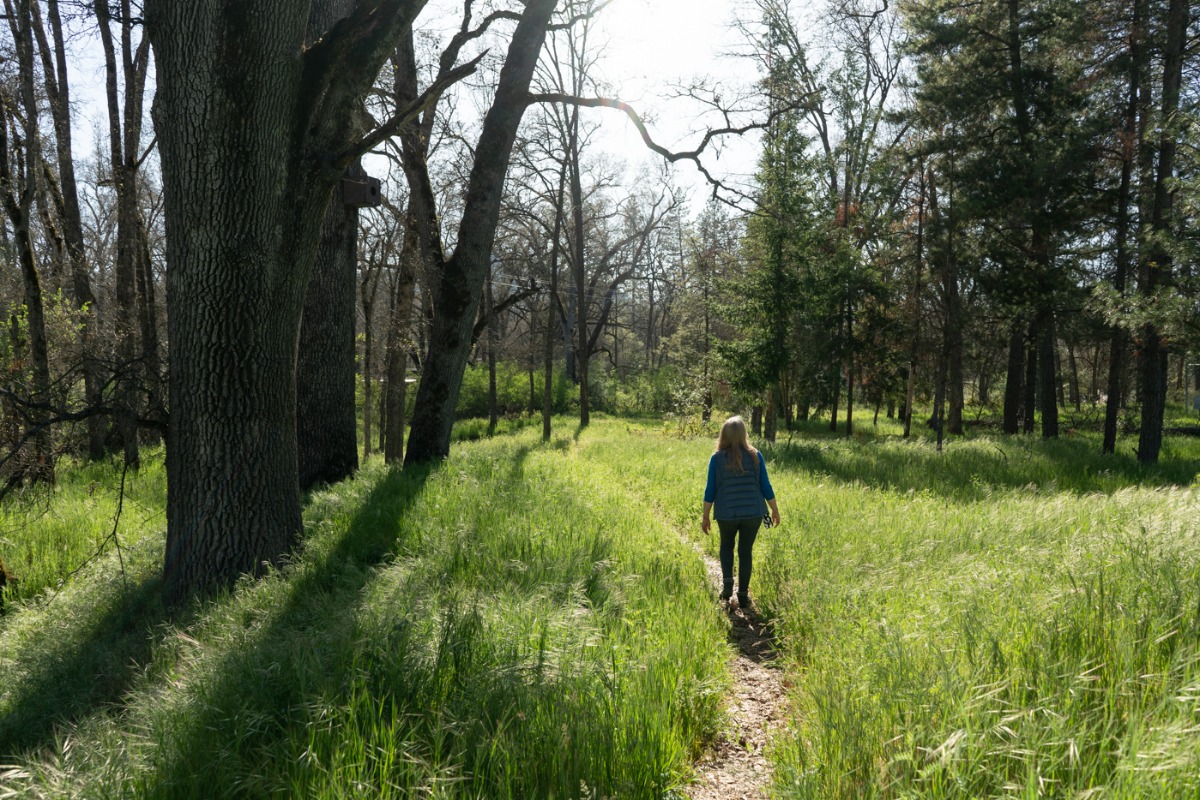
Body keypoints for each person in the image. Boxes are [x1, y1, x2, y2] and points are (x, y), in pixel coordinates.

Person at [701, 415, 780, 609]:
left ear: (724, 435)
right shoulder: (755, 455)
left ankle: (727, 586)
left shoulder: (717, 458)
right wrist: (774, 509)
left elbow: (710, 489)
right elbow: (765, 486)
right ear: (744, 434)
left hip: (726, 513)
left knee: (726, 546)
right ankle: (743, 595)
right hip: (753, 513)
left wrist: (705, 516)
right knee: (746, 552)